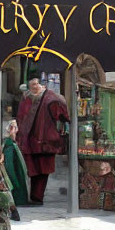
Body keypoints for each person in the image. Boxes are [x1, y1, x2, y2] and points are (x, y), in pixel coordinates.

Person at [16, 77, 70, 205]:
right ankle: (34, 196)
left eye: (36, 84)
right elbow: (21, 117)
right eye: (32, 84)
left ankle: (37, 196)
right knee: (33, 170)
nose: (34, 87)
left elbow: (63, 116)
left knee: (43, 170)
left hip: (45, 141)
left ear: (41, 85)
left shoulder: (51, 98)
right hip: (30, 141)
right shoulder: (27, 99)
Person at [2, 119, 28, 221]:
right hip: (16, 188)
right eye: (13, 127)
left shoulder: (12, 144)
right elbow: (9, 167)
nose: (15, 130)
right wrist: (15, 183)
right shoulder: (9, 146)